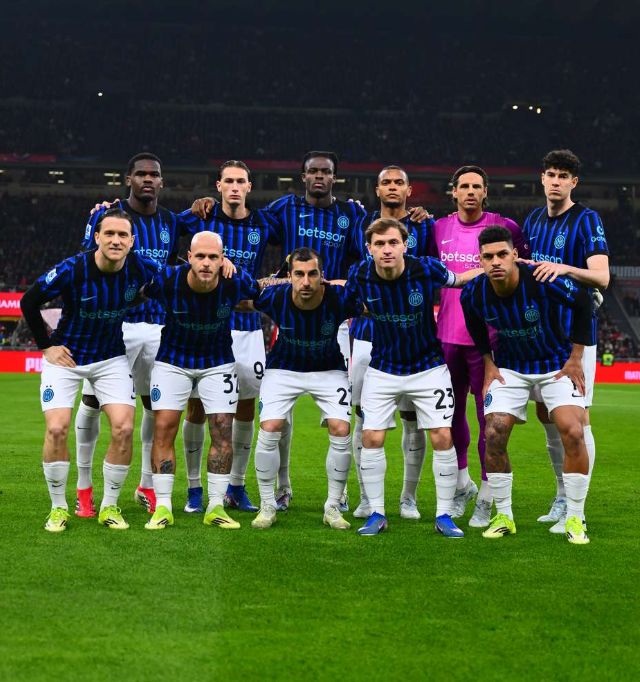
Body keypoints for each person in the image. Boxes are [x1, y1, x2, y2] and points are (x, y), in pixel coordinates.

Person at [192, 151, 367, 512]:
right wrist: (210, 202)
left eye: (326, 172)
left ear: (335, 177)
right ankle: (282, 487)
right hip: (288, 316)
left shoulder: (350, 214)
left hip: (332, 319)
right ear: (303, 176)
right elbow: (246, 221)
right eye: (313, 171)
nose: (319, 176)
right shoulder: (284, 209)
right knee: (278, 416)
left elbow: (364, 256)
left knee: (339, 420)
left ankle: (340, 492)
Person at [20, 209, 162, 532]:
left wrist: (222, 265)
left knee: (124, 428)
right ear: (97, 237)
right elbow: (29, 301)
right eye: (109, 234)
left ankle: (110, 505)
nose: (116, 240)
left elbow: (178, 277)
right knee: (57, 429)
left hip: (111, 358)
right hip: (68, 358)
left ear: (132, 241)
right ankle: (58, 508)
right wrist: (46, 346)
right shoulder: (73, 268)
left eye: (122, 235)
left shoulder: (141, 267)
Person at [344, 218, 482, 536]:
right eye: (379, 244)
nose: (387, 249)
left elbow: (461, 279)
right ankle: (377, 513)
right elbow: (346, 303)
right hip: (383, 368)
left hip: (428, 367)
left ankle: (444, 515)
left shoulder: (425, 268)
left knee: (442, 436)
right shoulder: (360, 273)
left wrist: (495, 269)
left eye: (393, 242)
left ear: (405, 245)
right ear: (369, 249)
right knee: (371, 437)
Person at [461, 226, 594, 544]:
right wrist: (488, 361)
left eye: (502, 254)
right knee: (493, 433)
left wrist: (576, 357)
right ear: (480, 260)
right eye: (488, 256)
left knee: (573, 431)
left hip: (555, 365)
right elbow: (475, 325)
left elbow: (585, 302)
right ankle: (504, 515)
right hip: (511, 368)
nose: (496, 261)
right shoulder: (473, 293)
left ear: (515, 255)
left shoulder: (542, 279)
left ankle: (575, 517)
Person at [73, 153, 186, 517]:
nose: (148, 179)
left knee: (155, 406)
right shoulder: (107, 215)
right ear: (128, 179)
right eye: (141, 174)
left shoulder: (170, 221)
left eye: (154, 174)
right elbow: (88, 263)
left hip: (158, 327)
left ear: (162, 181)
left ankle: (146, 486)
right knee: (92, 403)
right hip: (113, 326)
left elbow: (174, 266)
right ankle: (84, 488)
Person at [176, 160, 279, 515]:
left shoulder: (264, 223)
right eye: (229, 181)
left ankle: (236, 485)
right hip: (206, 324)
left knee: (246, 407)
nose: (235, 187)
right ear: (218, 185)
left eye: (241, 181)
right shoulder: (199, 218)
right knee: (197, 406)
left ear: (250, 187)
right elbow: (161, 226)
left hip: (248, 326)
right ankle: (194, 489)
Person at [142, 231, 260, 531]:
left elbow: (261, 291)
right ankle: (164, 506)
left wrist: (236, 267)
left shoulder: (235, 281)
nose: (206, 263)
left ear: (222, 260)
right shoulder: (168, 280)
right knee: (164, 428)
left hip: (218, 362)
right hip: (172, 361)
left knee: (222, 430)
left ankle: (216, 506)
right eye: (200, 256)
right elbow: (137, 286)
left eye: (213, 257)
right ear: (189, 258)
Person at [433, 166, 529, 528]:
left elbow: (524, 270)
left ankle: (488, 497)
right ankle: (462, 485)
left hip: (489, 341)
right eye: (464, 186)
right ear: (454, 192)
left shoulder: (506, 227)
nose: (470, 191)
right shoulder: (438, 228)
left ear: (485, 191)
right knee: (450, 416)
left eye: (477, 186)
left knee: (489, 421)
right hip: (447, 337)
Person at [242, 247, 362, 530]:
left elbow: (371, 304)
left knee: (341, 429)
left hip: (328, 369)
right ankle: (268, 504)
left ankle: (333, 506)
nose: (306, 282)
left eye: (312, 274)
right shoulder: (276, 297)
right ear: (290, 276)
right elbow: (242, 298)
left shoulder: (338, 298)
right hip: (283, 369)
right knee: (270, 427)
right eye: (299, 274)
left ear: (323, 276)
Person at [523, 150, 609, 533]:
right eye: (551, 174)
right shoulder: (533, 220)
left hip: (576, 336)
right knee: (547, 415)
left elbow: (601, 277)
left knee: (577, 419)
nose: (556, 181)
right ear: (542, 178)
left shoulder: (587, 220)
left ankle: (579, 509)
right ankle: (561, 495)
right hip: (542, 335)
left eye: (563, 176)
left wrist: (564, 269)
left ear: (574, 182)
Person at [349, 165, 434, 522]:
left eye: (399, 182)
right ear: (377, 189)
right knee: (363, 419)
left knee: (413, 420)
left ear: (409, 190)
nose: (393, 187)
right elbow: (353, 271)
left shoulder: (424, 225)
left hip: (413, 340)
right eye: (386, 182)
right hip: (366, 337)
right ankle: (367, 498)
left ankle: (408, 498)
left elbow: (431, 272)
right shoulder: (360, 222)